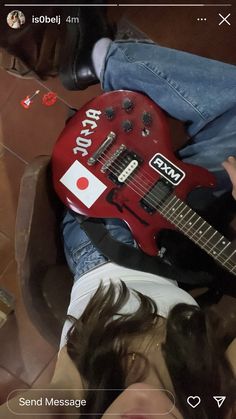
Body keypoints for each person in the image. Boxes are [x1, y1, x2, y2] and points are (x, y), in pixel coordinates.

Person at [1, 8, 236, 419]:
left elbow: (22, 410)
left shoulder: (70, 399)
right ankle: (108, 59)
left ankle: (105, 57)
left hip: (110, 242)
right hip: (181, 250)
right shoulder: (217, 395)